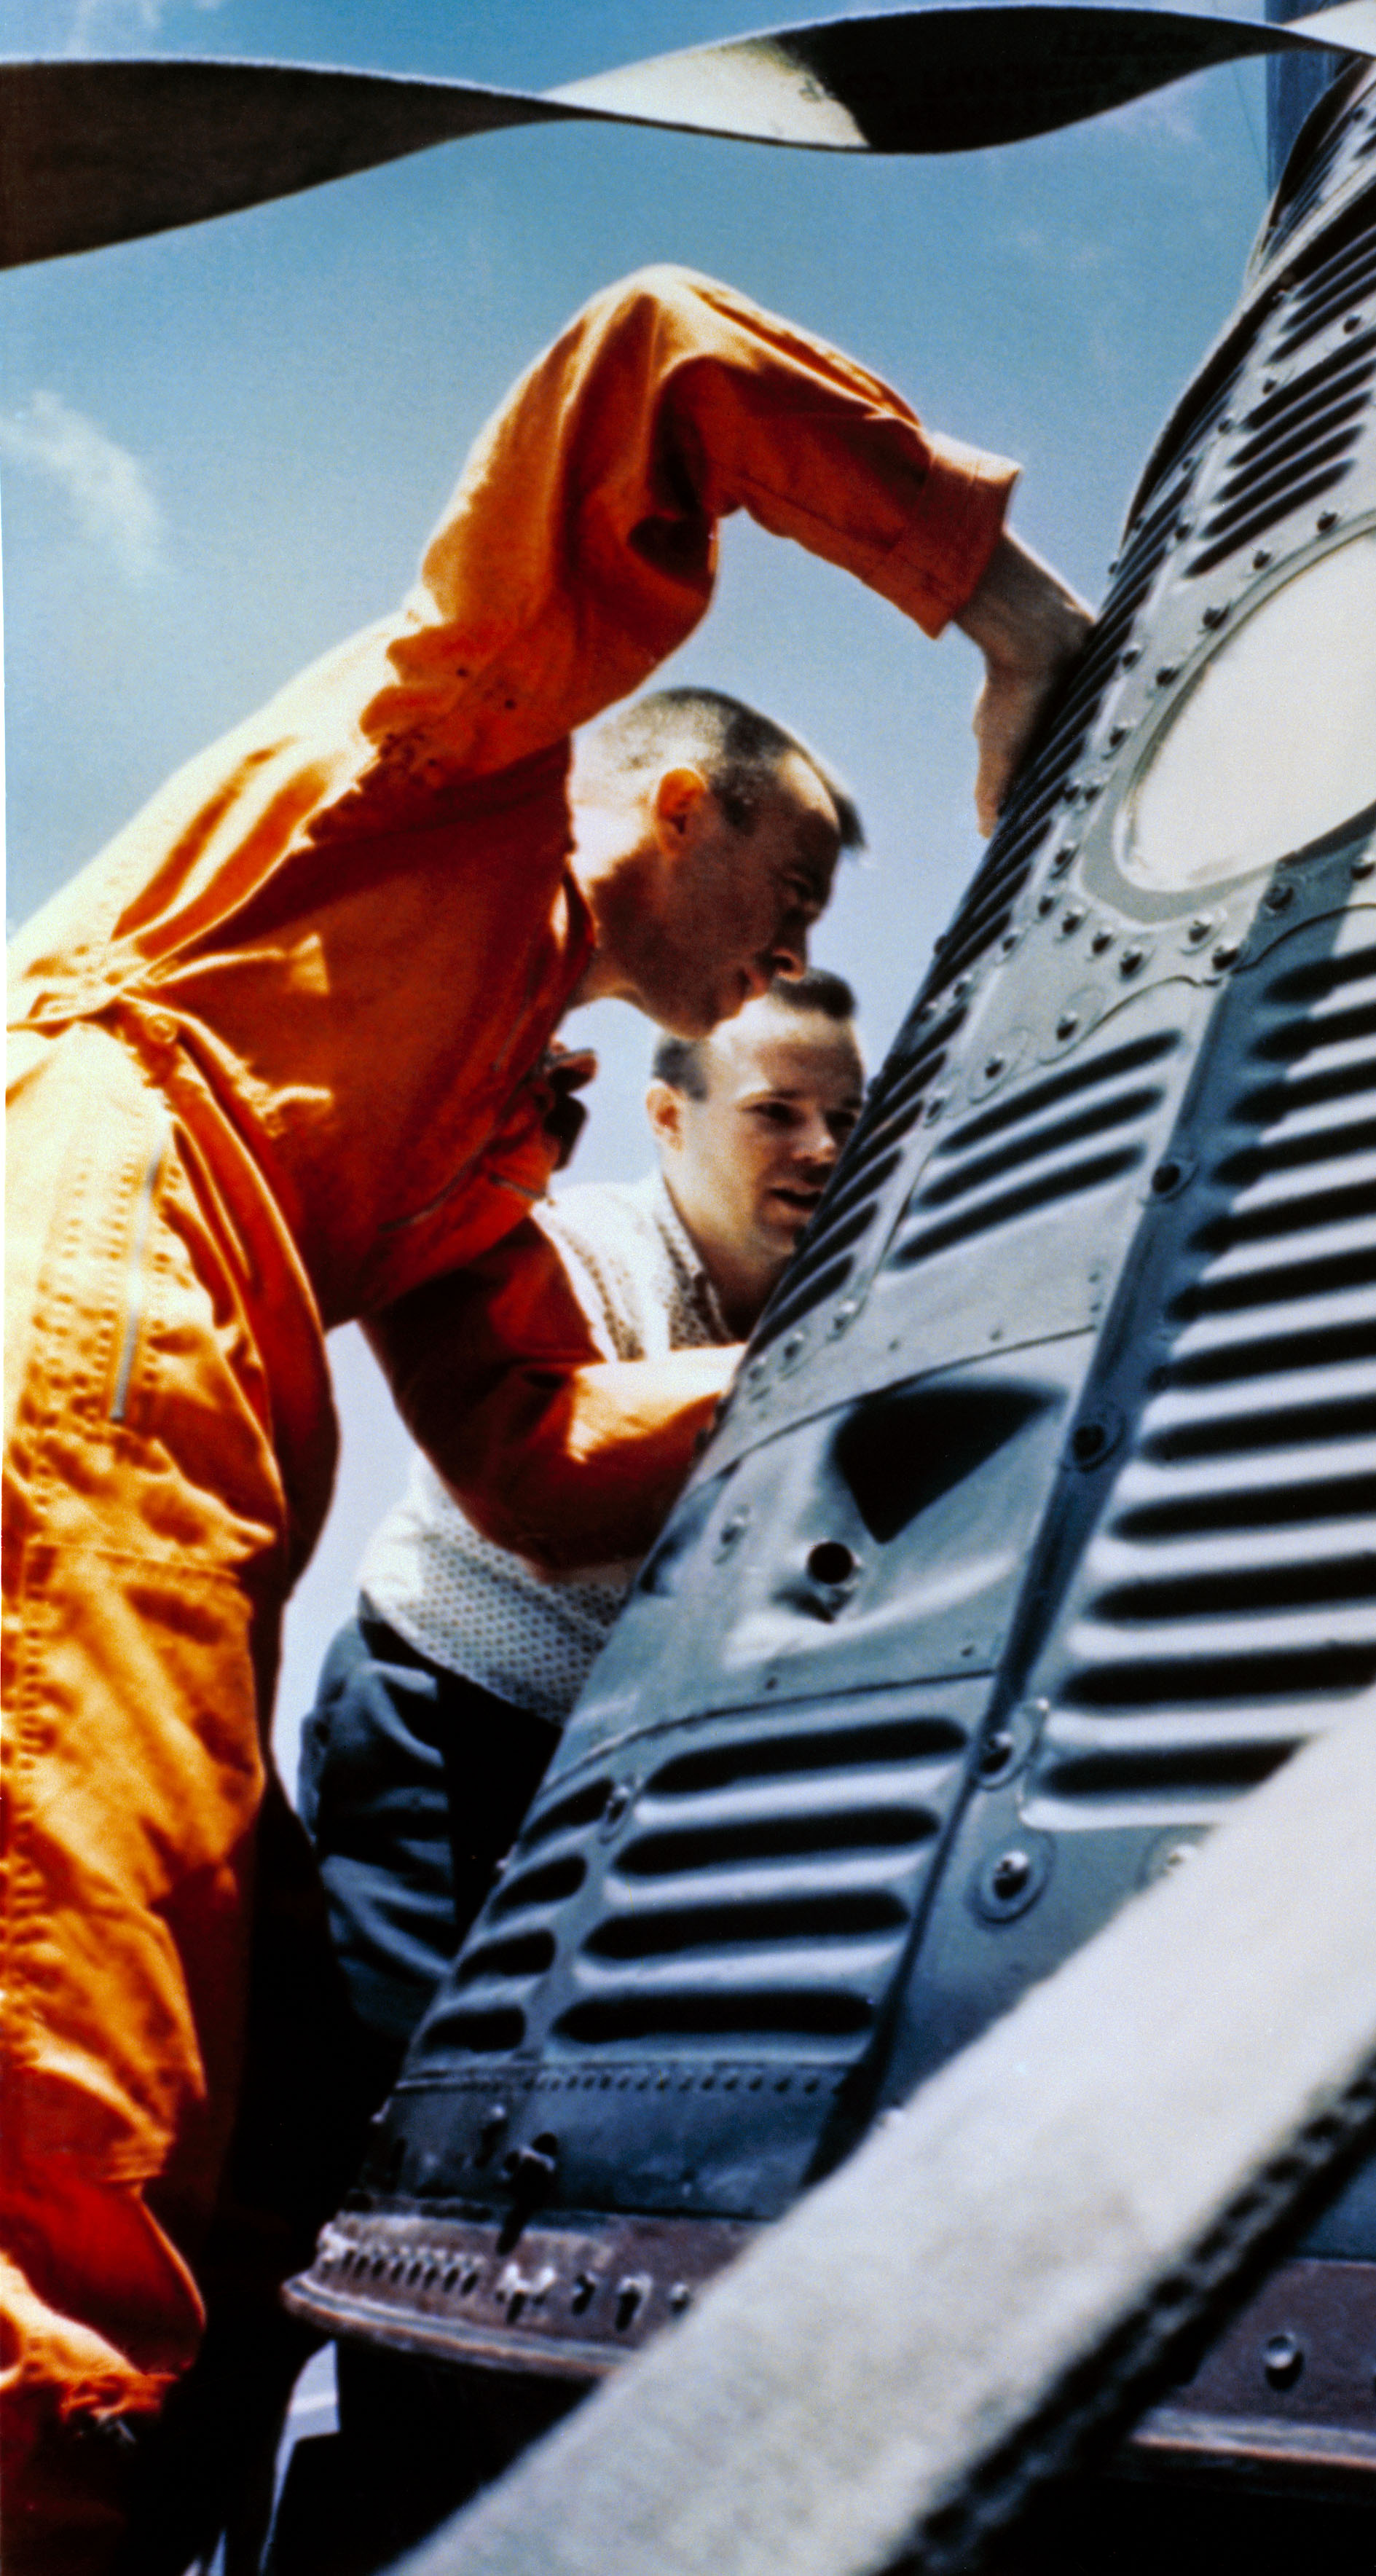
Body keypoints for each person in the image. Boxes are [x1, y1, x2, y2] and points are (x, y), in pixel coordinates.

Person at [1, 264, 1090, 2571]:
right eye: (790, 882)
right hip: (91, 1286)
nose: (788, 947)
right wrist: (1004, 617)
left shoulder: (484, 1135)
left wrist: (837, 1345)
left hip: (205, 1412)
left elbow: (527, 1455)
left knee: (220, 2045)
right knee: (72, 2004)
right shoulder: (463, 737)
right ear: (675, 806)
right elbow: (660, 356)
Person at [300, 970, 866, 2077]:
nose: (821, 1149)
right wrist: (820, 1363)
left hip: (632, 1761)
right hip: (449, 1724)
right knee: (400, 2079)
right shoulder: (579, 1255)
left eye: (846, 1118)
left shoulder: (830, 1301)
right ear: (668, 1117)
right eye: (777, 1112)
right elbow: (559, 1500)